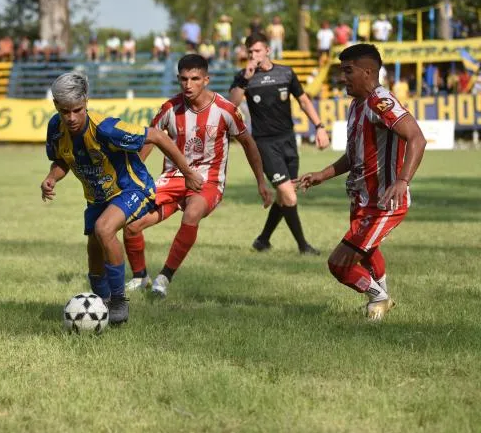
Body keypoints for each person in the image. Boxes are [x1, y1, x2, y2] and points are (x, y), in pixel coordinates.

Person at [41, 71, 202, 324]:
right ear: (56, 107)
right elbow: (63, 159)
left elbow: (158, 136)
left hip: (132, 189)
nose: (71, 117)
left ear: (86, 101)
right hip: (97, 198)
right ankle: (101, 306)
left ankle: (118, 302)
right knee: (94, 256)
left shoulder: (106, 129)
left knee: (104, 230)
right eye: (64, 111)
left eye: (77, 110)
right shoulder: (55, 128)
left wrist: (188, 173)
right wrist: (51, 177)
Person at [123, 54, 273, 297]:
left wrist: (260, 182)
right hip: (172, 178)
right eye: (183, 79)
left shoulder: (225, 110)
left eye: (194, 79)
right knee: (131, 226)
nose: (188, 85)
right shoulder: (170, 108)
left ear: (206, 79)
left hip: (208, 181)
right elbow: (150, 139)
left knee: (192, 213)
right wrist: (133, 174)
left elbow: (248, 144)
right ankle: (140, 277)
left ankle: (164, 277)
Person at [295, 43, 426, 320]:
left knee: (339, 264)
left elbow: (417, 137)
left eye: (348, 71)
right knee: (368, 254)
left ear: (368, 72)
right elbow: (353, 155)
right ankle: (381, 306)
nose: (343, 78)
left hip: (385, 201)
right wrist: (322, 174)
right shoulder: (357, 105)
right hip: (363, 199)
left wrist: (403, 180)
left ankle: (379, 297)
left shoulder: (381, 101)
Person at [229, 33, 329, 255]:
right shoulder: (243, 76)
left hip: (288, 141)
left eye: (257, 51)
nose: (253, 55)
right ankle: (303, 246)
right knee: (289, 195)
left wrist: (320, 126)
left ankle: (263, 240)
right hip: (264, 144)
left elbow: (303, 100)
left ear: (267, 50)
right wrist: (245, 78)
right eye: (250, 52)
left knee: (286, 195)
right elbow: (232, 104)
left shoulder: (285, 72)